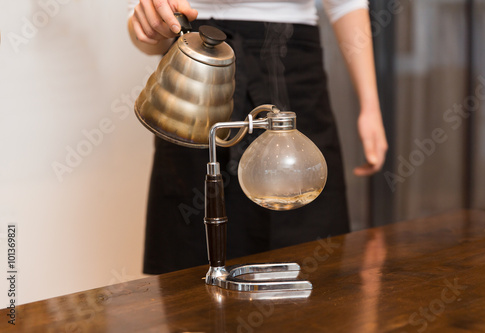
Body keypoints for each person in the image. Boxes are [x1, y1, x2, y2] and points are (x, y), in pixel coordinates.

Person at [127, 0, 388, 274]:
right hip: (196, 72)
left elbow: (345, 4)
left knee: (312, 257)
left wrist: (370, 106)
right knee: (191, 257)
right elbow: (145, 32)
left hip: (293, 64)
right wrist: (154, 25)